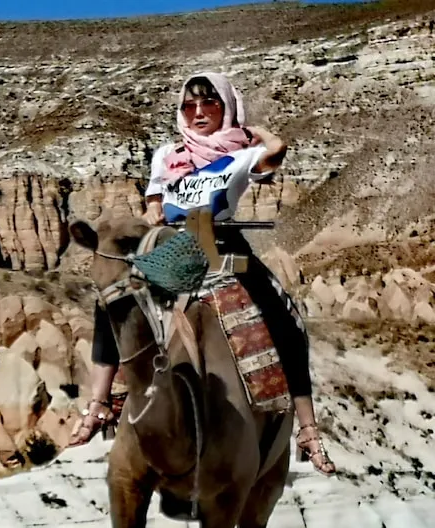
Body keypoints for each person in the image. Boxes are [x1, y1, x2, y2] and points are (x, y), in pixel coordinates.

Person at [68, 71, 335, 476]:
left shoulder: (241, 154)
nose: (198, 112)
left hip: (222, 245)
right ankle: (99, 404)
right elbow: (155, 203)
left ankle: (307, 429)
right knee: (111, 302)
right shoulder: (168, 154)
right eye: (189, 105)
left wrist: (250, 131)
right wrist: (147, 222)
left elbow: (277, 149)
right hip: (173, 245)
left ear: (226, 107)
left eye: (210, 102)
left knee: (285, 322)